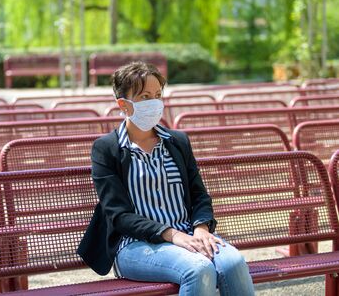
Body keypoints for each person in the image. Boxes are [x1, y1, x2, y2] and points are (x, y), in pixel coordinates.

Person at [77, 61, 254, 296]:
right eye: (144, 96)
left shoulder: (177, 142)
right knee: (198, 269)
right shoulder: (107, 149)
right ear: (123, 104)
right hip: (134, 245)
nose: (154, 102)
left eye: (158, 95)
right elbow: (118, 215)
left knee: (234, 263)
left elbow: (199, 194)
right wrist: (173, 235)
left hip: (190, 236)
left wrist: (201, 228)